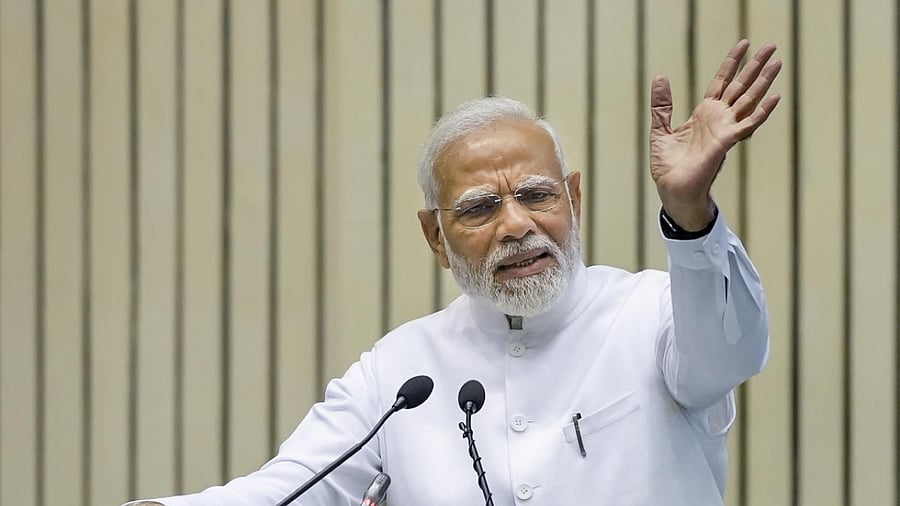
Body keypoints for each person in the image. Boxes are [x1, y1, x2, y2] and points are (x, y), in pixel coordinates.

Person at [126, 39, 780, 505]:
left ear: (573, 199)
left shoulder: (653, 312)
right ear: (435, 236)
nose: (516, 224)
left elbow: (731, 351)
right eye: (479, 208)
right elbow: (282, 491)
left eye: (536, 194)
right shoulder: (398, 373)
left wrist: (690, 212)